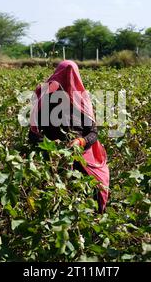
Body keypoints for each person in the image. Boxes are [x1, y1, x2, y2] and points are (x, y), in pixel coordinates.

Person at [29, 60, 110, 213]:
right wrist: (52, 146)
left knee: (96, 191)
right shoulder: (46, 101)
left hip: (81, 158)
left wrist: (80, 141)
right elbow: (33, 135)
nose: (68, 79)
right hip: (53, 161)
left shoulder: (83, 101)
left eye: (71, 75)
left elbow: (93, 133)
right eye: (65, 75)